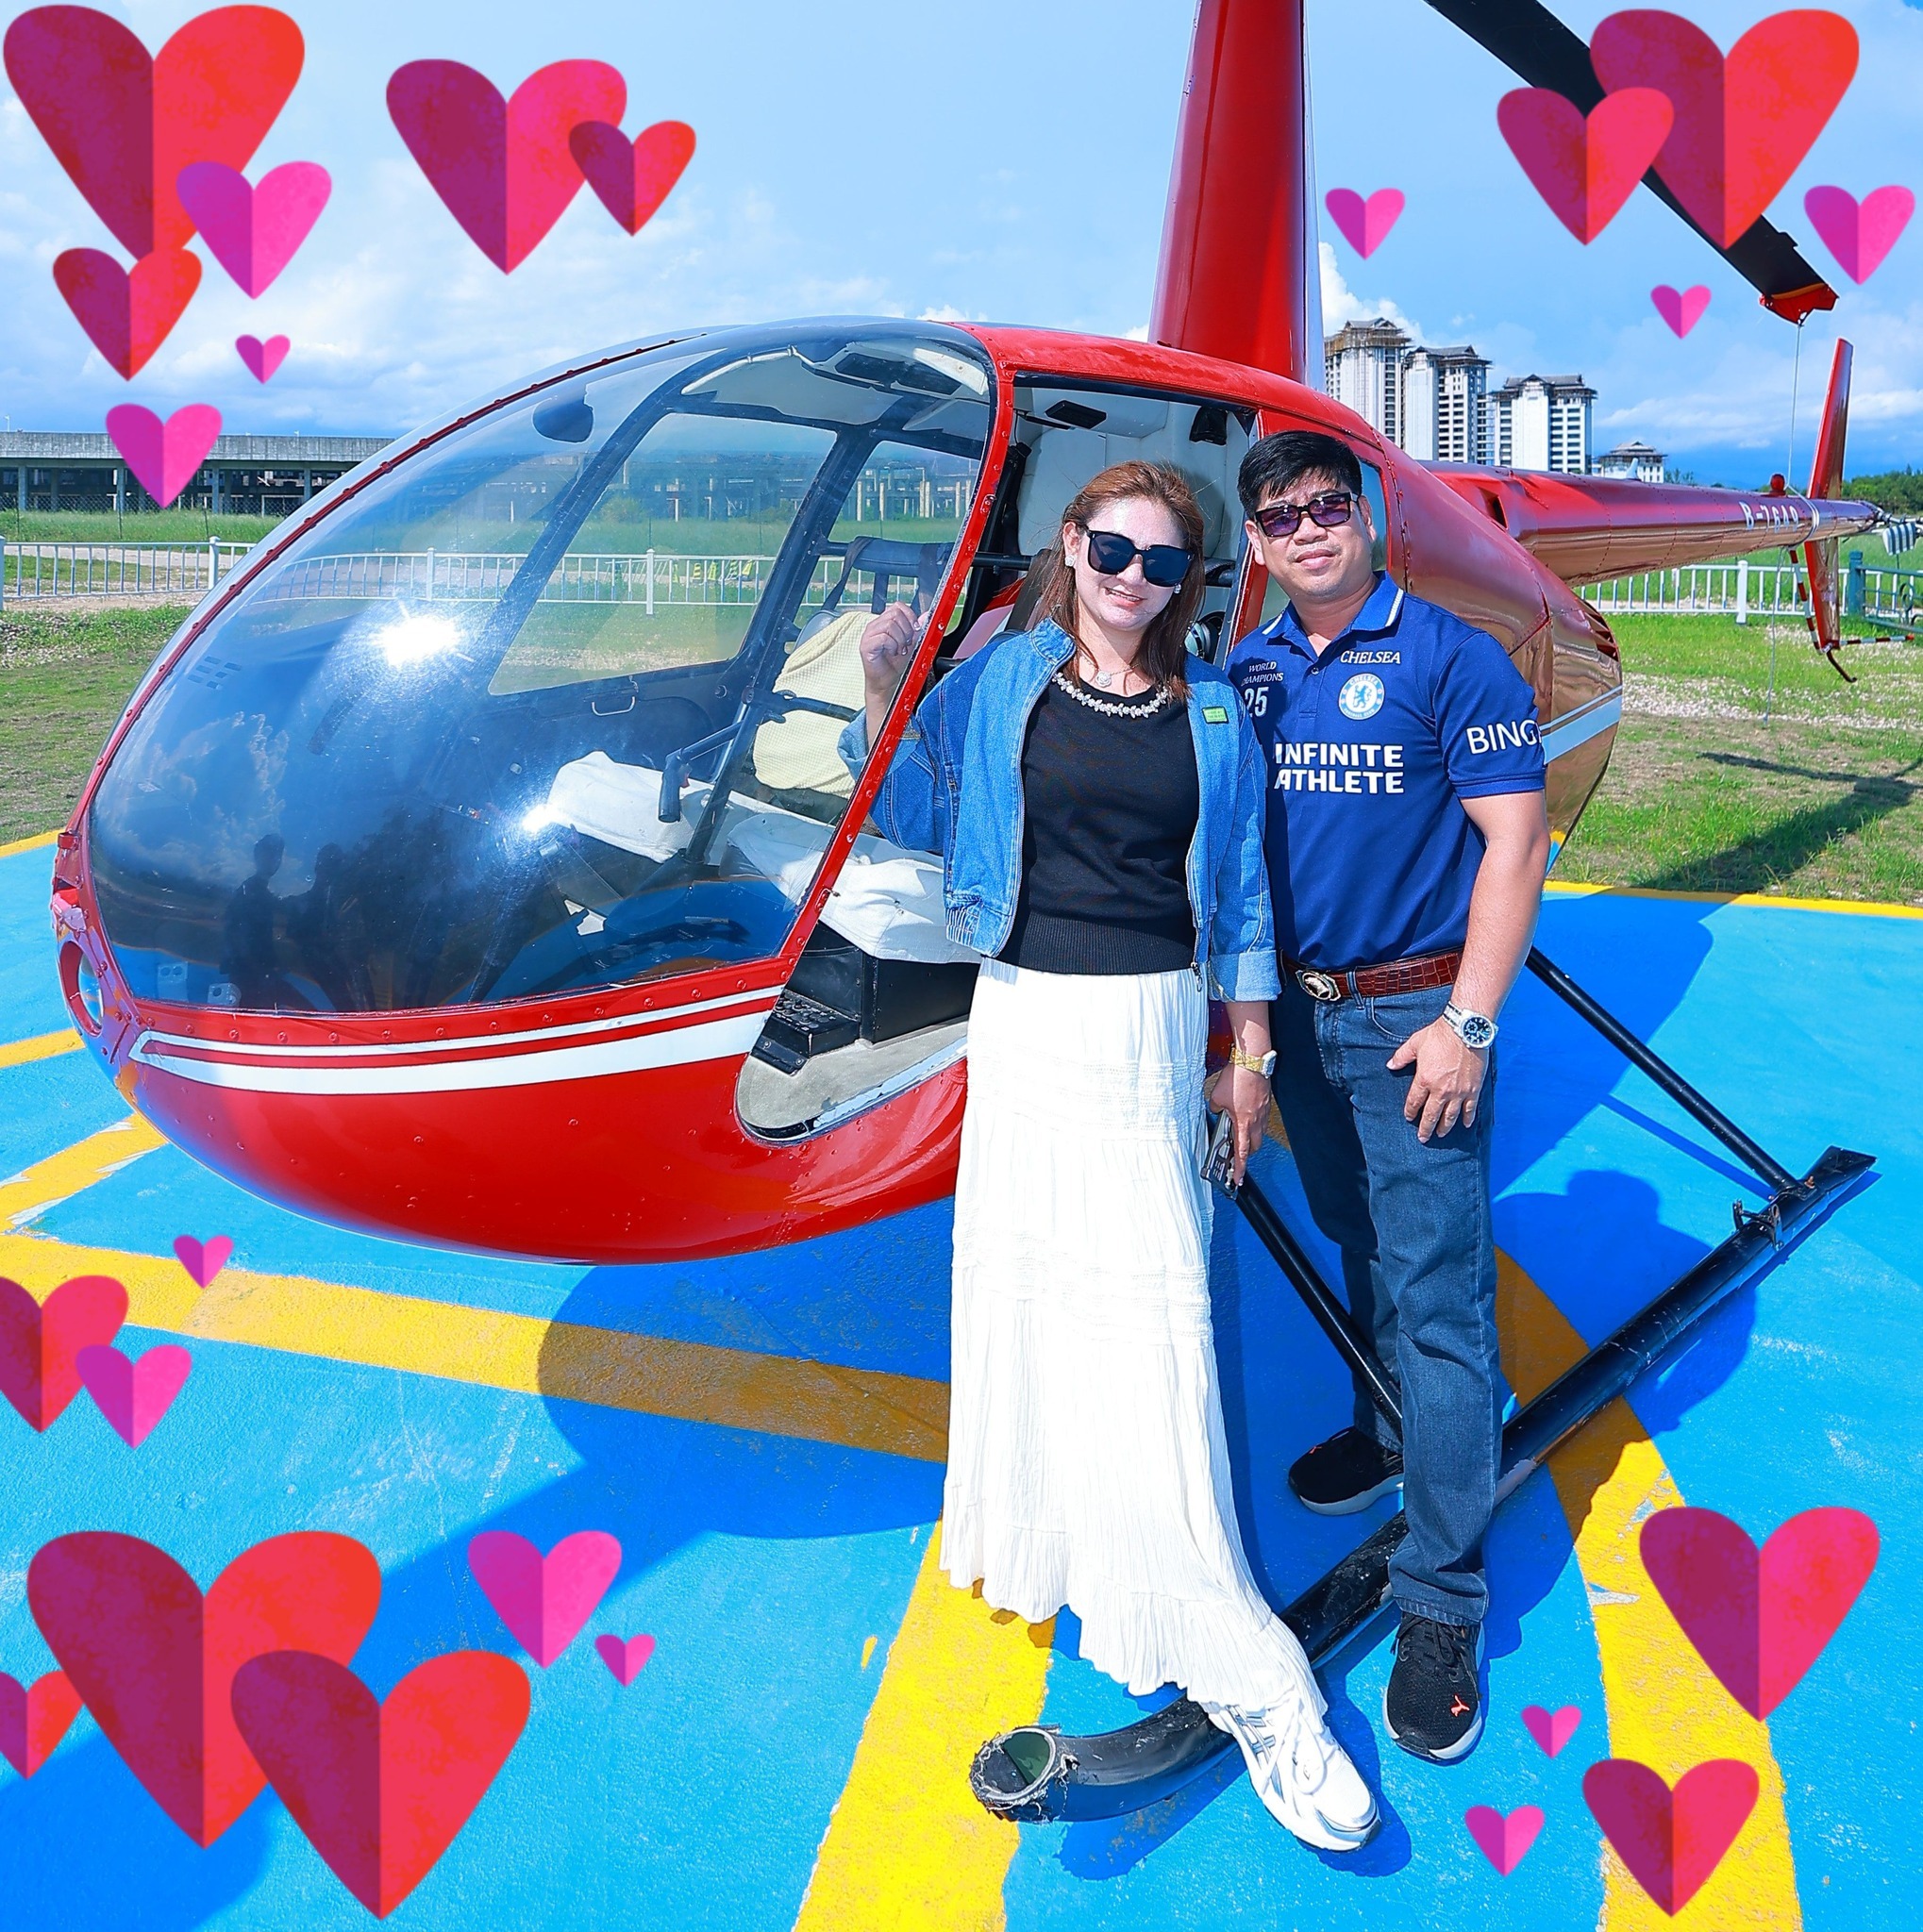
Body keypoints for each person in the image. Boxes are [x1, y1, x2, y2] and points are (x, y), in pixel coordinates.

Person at [842, 460, 1379, 1849]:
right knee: (1028, 1296)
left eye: (1163, 560)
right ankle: (1058, 1533)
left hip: (1150, 1027)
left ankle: (1243, 1667)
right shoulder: (1004, 680)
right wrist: (887, 692)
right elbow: (911, 813)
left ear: (1189, 578)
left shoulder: (1211, 712)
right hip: (1023, 1016)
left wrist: (1247, 1055)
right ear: (1071, 547)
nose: (1133, 578)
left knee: (1157, 1326)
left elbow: (1242, 899)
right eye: (1112, 549)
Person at [1227, 429, 1552, 1764]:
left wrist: (1468, 1025)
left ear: (1364, 514)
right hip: (1301, 1018)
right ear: (1256, 542)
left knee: (1440, 1297)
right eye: (1278, 516)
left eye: (1325, 505)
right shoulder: (1249, 673)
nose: (1305, 529)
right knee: (1356, 1235)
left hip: (1414, 1018)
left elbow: (1515, 841)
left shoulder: (1449, 656)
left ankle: (1441, 1599)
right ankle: (1385, 1425)